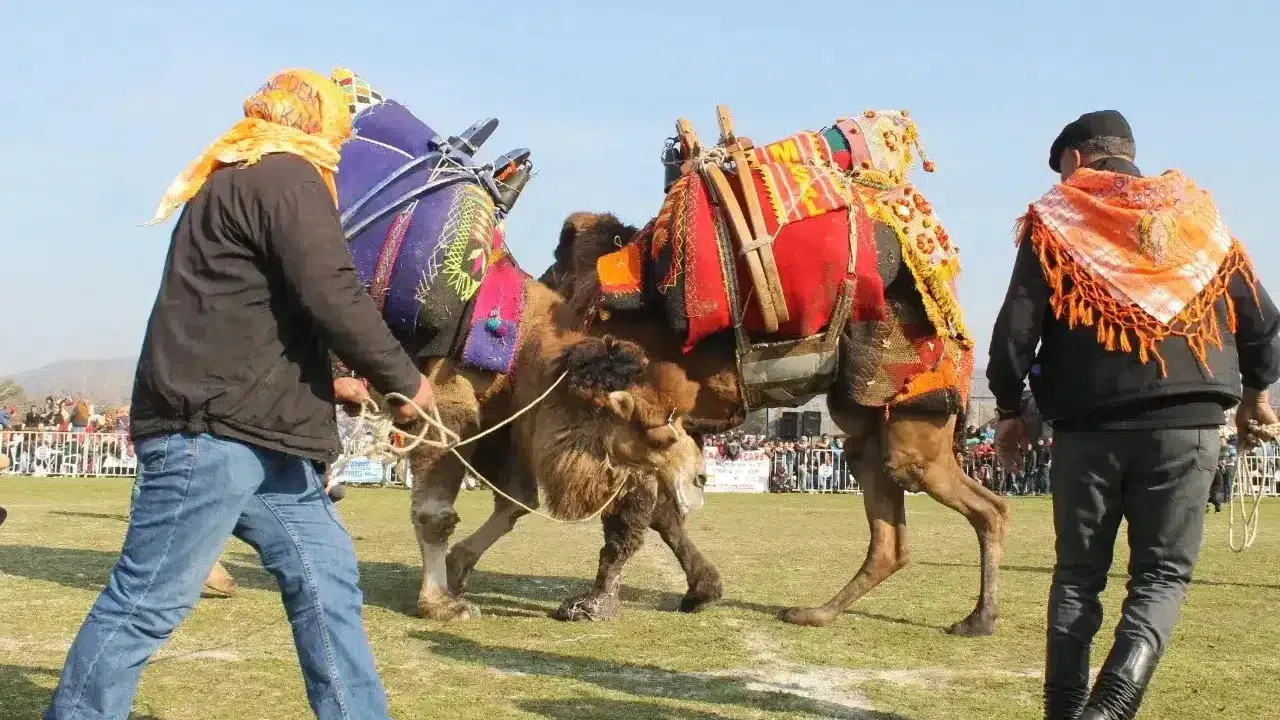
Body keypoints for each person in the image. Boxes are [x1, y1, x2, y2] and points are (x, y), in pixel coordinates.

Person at [43, 69, 436, 720]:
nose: (345, 134)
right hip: (213, 433)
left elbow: (257, 313)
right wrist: (406, 379)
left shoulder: (246, 174)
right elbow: (331, 292)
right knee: (148, 601)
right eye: (342, 119)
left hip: (262, 435)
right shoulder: (286, 174)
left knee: (327, 580)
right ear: (315, 118)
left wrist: (333, 378)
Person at [986, 110, 1280, 720]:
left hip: (1089, 428)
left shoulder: (1058, 220)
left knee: (1077, 576)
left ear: (1074, 161)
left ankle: (1068, 714)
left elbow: (1015, 330)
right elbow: (1261, 324)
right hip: (1189, 425)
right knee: (1161, 578)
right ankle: (1111, 709)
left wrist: (1011, 408)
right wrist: (1257, 396)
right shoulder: (1198, 219)